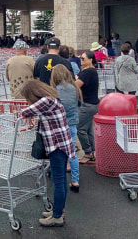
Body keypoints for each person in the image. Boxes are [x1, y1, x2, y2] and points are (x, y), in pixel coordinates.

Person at [19, 80, 75, 227]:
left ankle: (57, 216)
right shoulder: (51, 98)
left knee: (58, 182)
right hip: (62, 144)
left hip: (56, 146)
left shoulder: (45, 101)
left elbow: (24, 112)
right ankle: (58, 211)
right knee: (61, 180)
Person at [51, 64, 81, 193]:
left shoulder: (53, 90)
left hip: (58, 125)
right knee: (72, 152)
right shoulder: (75, 88)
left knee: (58, 152)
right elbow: (79, 104)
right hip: (72, 123)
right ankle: (75, 181)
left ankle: (60, 180)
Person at [76, 50, 100, 164]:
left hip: (87, 104)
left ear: (90, 60)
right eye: (80, 58)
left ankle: (88, 152)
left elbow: (77, 86)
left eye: (83, 58)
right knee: (88, 129)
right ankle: (92, 152)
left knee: (79, 128)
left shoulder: (88, 72)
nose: (81, 60)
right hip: (91, 104)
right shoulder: (89, 71)